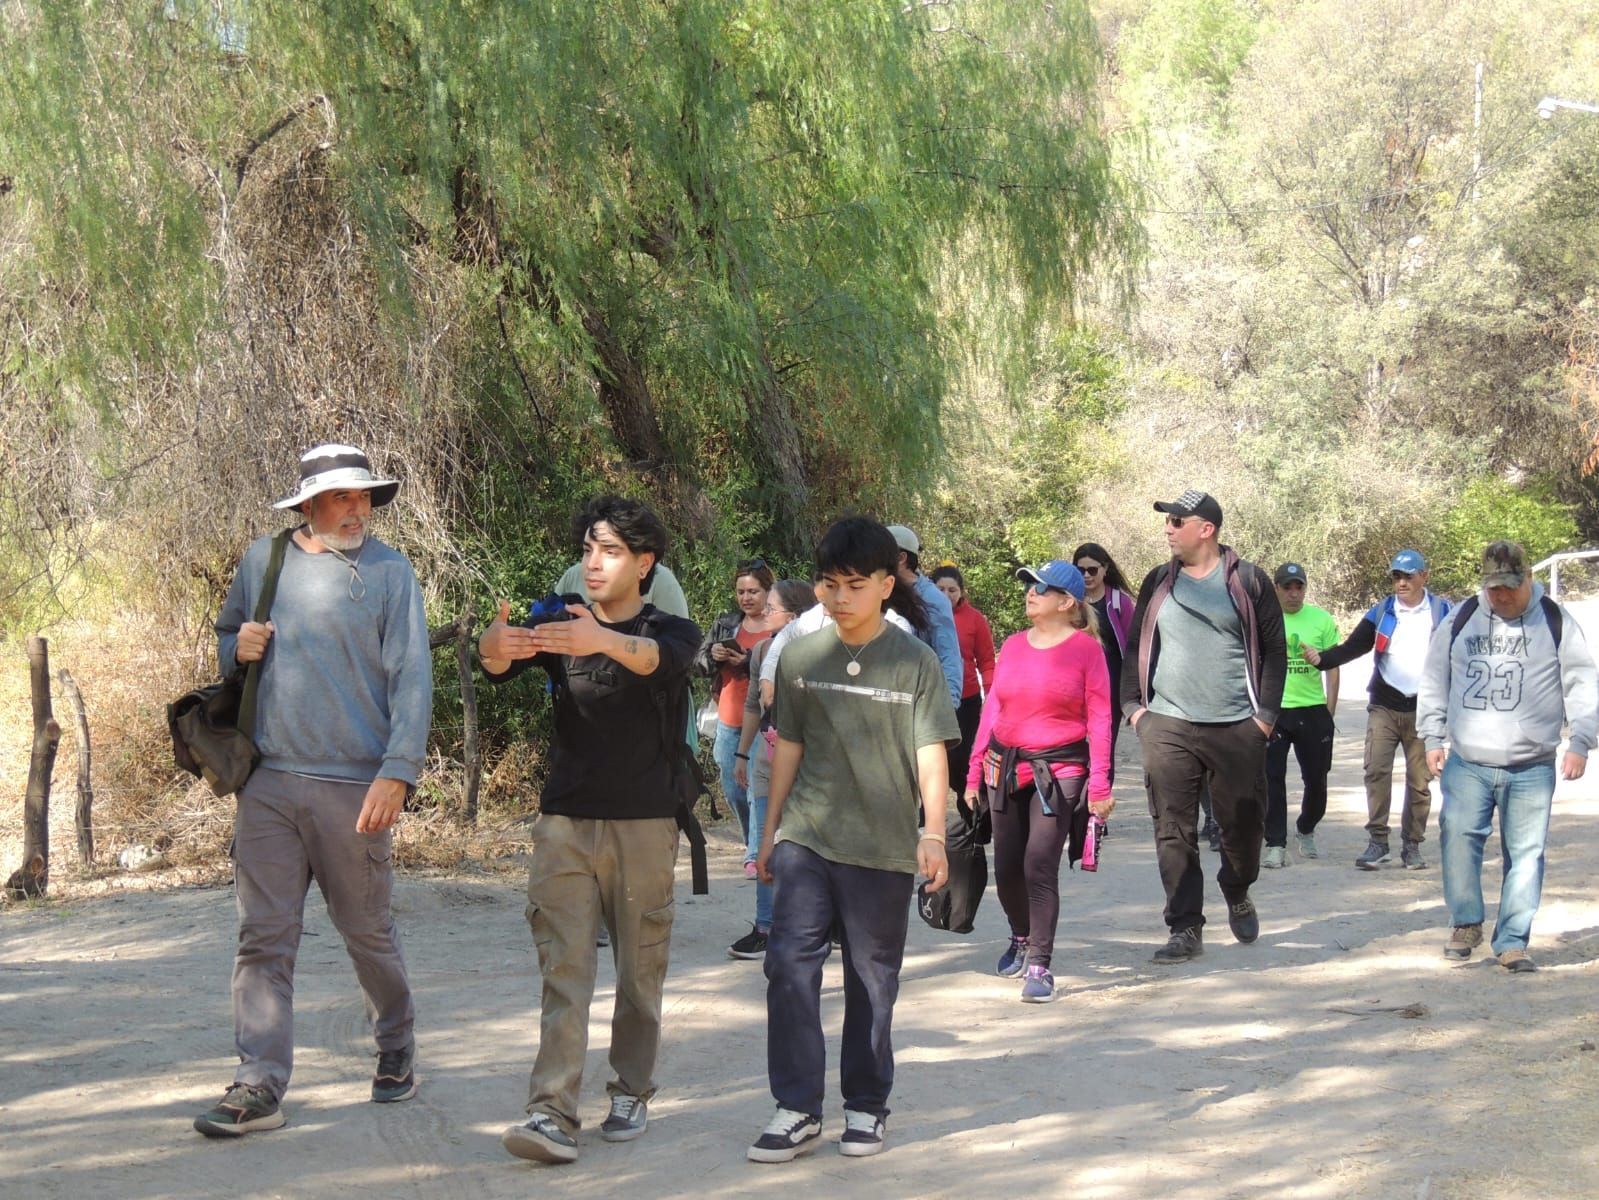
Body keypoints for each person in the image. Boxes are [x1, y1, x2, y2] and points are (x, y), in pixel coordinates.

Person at [194, 444, 431, 1137]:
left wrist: (398, 771)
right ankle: (258, 1083)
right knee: (262, 938)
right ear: (308, 505)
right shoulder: (261, 561)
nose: (357, 509)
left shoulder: (390, 572)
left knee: (366, 933)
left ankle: (394, 1046)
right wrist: (235, 648)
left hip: (356, 784)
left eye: (363, 497)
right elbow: (225, 640)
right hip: (267, 780)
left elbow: (412, 676)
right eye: (341, 498)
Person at [478, 496, 702, 1165]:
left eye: (608, 551)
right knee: (565, 969)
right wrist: (495, 647)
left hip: (645, 824)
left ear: (644, 563)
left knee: (639, 971)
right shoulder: (557, 618)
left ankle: (631, 1088)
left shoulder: (671, 629)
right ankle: (551, 1113)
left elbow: (657, 662)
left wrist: (600, 638)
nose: (592, 563)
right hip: (565, 822)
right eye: (586, 550)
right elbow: (499, 664)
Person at [749, 517, 958, 1163]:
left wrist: (932, 832)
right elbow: (790, 747)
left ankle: (865, 1106)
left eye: (853, 584)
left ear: (884, 584)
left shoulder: (913, 661)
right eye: (827, 584)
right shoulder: (801, 657)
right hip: (805, 835)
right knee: (787, 963)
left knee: (871, 978)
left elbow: (929, 752)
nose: (838, 597)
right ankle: (796, 1107)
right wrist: (768, 834)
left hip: (880, 843)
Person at [1122, 490, 1285, 964]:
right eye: (1167, 522)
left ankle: (1236, 887)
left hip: (1237, 724)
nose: (1168, 529)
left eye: (1176, 521)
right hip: (1167, 722)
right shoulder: (1158, 581)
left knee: (1242, 824)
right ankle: (1185, 926)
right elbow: (1134, 648)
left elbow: (1275, 651)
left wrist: (1265, 719)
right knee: (1173, 829)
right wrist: (1135, 709)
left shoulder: (1249, 581)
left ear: (1206, 529)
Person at [1419, 541, 1598, 973]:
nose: (1501, 596)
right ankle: (1466, 922)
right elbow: (1433, 679)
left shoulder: (1554, 620)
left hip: (1532, 765)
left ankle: (1513, 941)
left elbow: (1582, 682)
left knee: (1526, 853)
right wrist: (1431, 736)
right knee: (1457, 840)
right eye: (1494, 588)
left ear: (1529, 580)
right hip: (1468, 762)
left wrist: (1580, 741)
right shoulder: (1461, 618)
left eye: (1510, 588)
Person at [965, 560, 1113, 1003]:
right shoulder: (1011, 645)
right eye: (1029, 586)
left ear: (1067, 602)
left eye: (1040, 588)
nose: (1030, 593)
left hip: (1061, 770)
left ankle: (1040, 965)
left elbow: (1101, 719)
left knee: (1038, 864)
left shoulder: (1086, 651)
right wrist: (974, 771)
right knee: (1007, 866)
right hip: (1005, 766)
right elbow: (993, 711)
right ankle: (1020, 934)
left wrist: (1101, 785)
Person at [1303, 550, 1450, 870]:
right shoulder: (1383, 611)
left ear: (1424, 576)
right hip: (1384, 704)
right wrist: (1322, 660)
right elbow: (1354, 646)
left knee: (1419, 782)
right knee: (1375, 771)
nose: (1401, 582)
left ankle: (1412, 845)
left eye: (1408, 576)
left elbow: (1461, 655)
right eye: (1396, 576)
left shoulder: (1444, 612)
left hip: (1425, 710)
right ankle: (1378, 842)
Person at [729, 579, 821, 959]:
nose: (764, 614)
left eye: (772, 608)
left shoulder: (819, 652)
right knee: (762, 837)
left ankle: (814, 924)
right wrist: (742, 754)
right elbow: (753, 705)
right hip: (767, 757)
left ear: (796, 616)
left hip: (808, 762)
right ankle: (765, 926)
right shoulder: (763, 651)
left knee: (802, 844)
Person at [695, 559, 775, 876]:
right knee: (732, 786)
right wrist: (712, 656)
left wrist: (747, 662)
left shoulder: (780, 626)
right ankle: (752, 842)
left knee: (757, 786)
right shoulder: (727, 624)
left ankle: (755, 854)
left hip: (766, 721)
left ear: (768, 591)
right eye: (741, 591)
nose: (746, 598)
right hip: (728, 717)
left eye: (753, 591)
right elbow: (697, 664)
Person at [1263, 563, 1340, 867]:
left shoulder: (1321, 620)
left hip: (1313, 709)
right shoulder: (1266, 619)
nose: (1294, 594)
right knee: (1272, 779)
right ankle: (1275, 843)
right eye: (1287, 587)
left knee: (1317, 780)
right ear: (1277, 588)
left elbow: (1333, 668)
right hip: (1275, 710)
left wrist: (1329, 712)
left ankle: (1306, 827)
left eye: (1299, 587)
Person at [1073, 542, 1136, 788]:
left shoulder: (1120, 602)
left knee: (1103, 750)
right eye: (1080, 570)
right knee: (1075, 750)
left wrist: (1133, 692)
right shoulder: (1070, 601)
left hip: (1109, 690)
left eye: (1092, 570)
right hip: (1076, 688)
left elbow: (1132, 647)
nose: (1086, 575)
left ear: (1105, 569)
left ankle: (1096, 815)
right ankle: (1076, 806)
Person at [930, 565, 995, 802]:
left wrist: (991, 697)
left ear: (961, 592)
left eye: (952, 590)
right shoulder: (921, 614)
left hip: (965, 701)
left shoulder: (975, 620)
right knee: (933, 758)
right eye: (940, 589)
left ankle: (973, 807)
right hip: (929, 698)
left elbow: (987, 661)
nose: (946, 595)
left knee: (960, 760)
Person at [886, 524, 964, 709]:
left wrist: (949, 704)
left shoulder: (933, 599)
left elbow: (948, 654)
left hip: (918, 701)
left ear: (901, 558)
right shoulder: (879, 591)